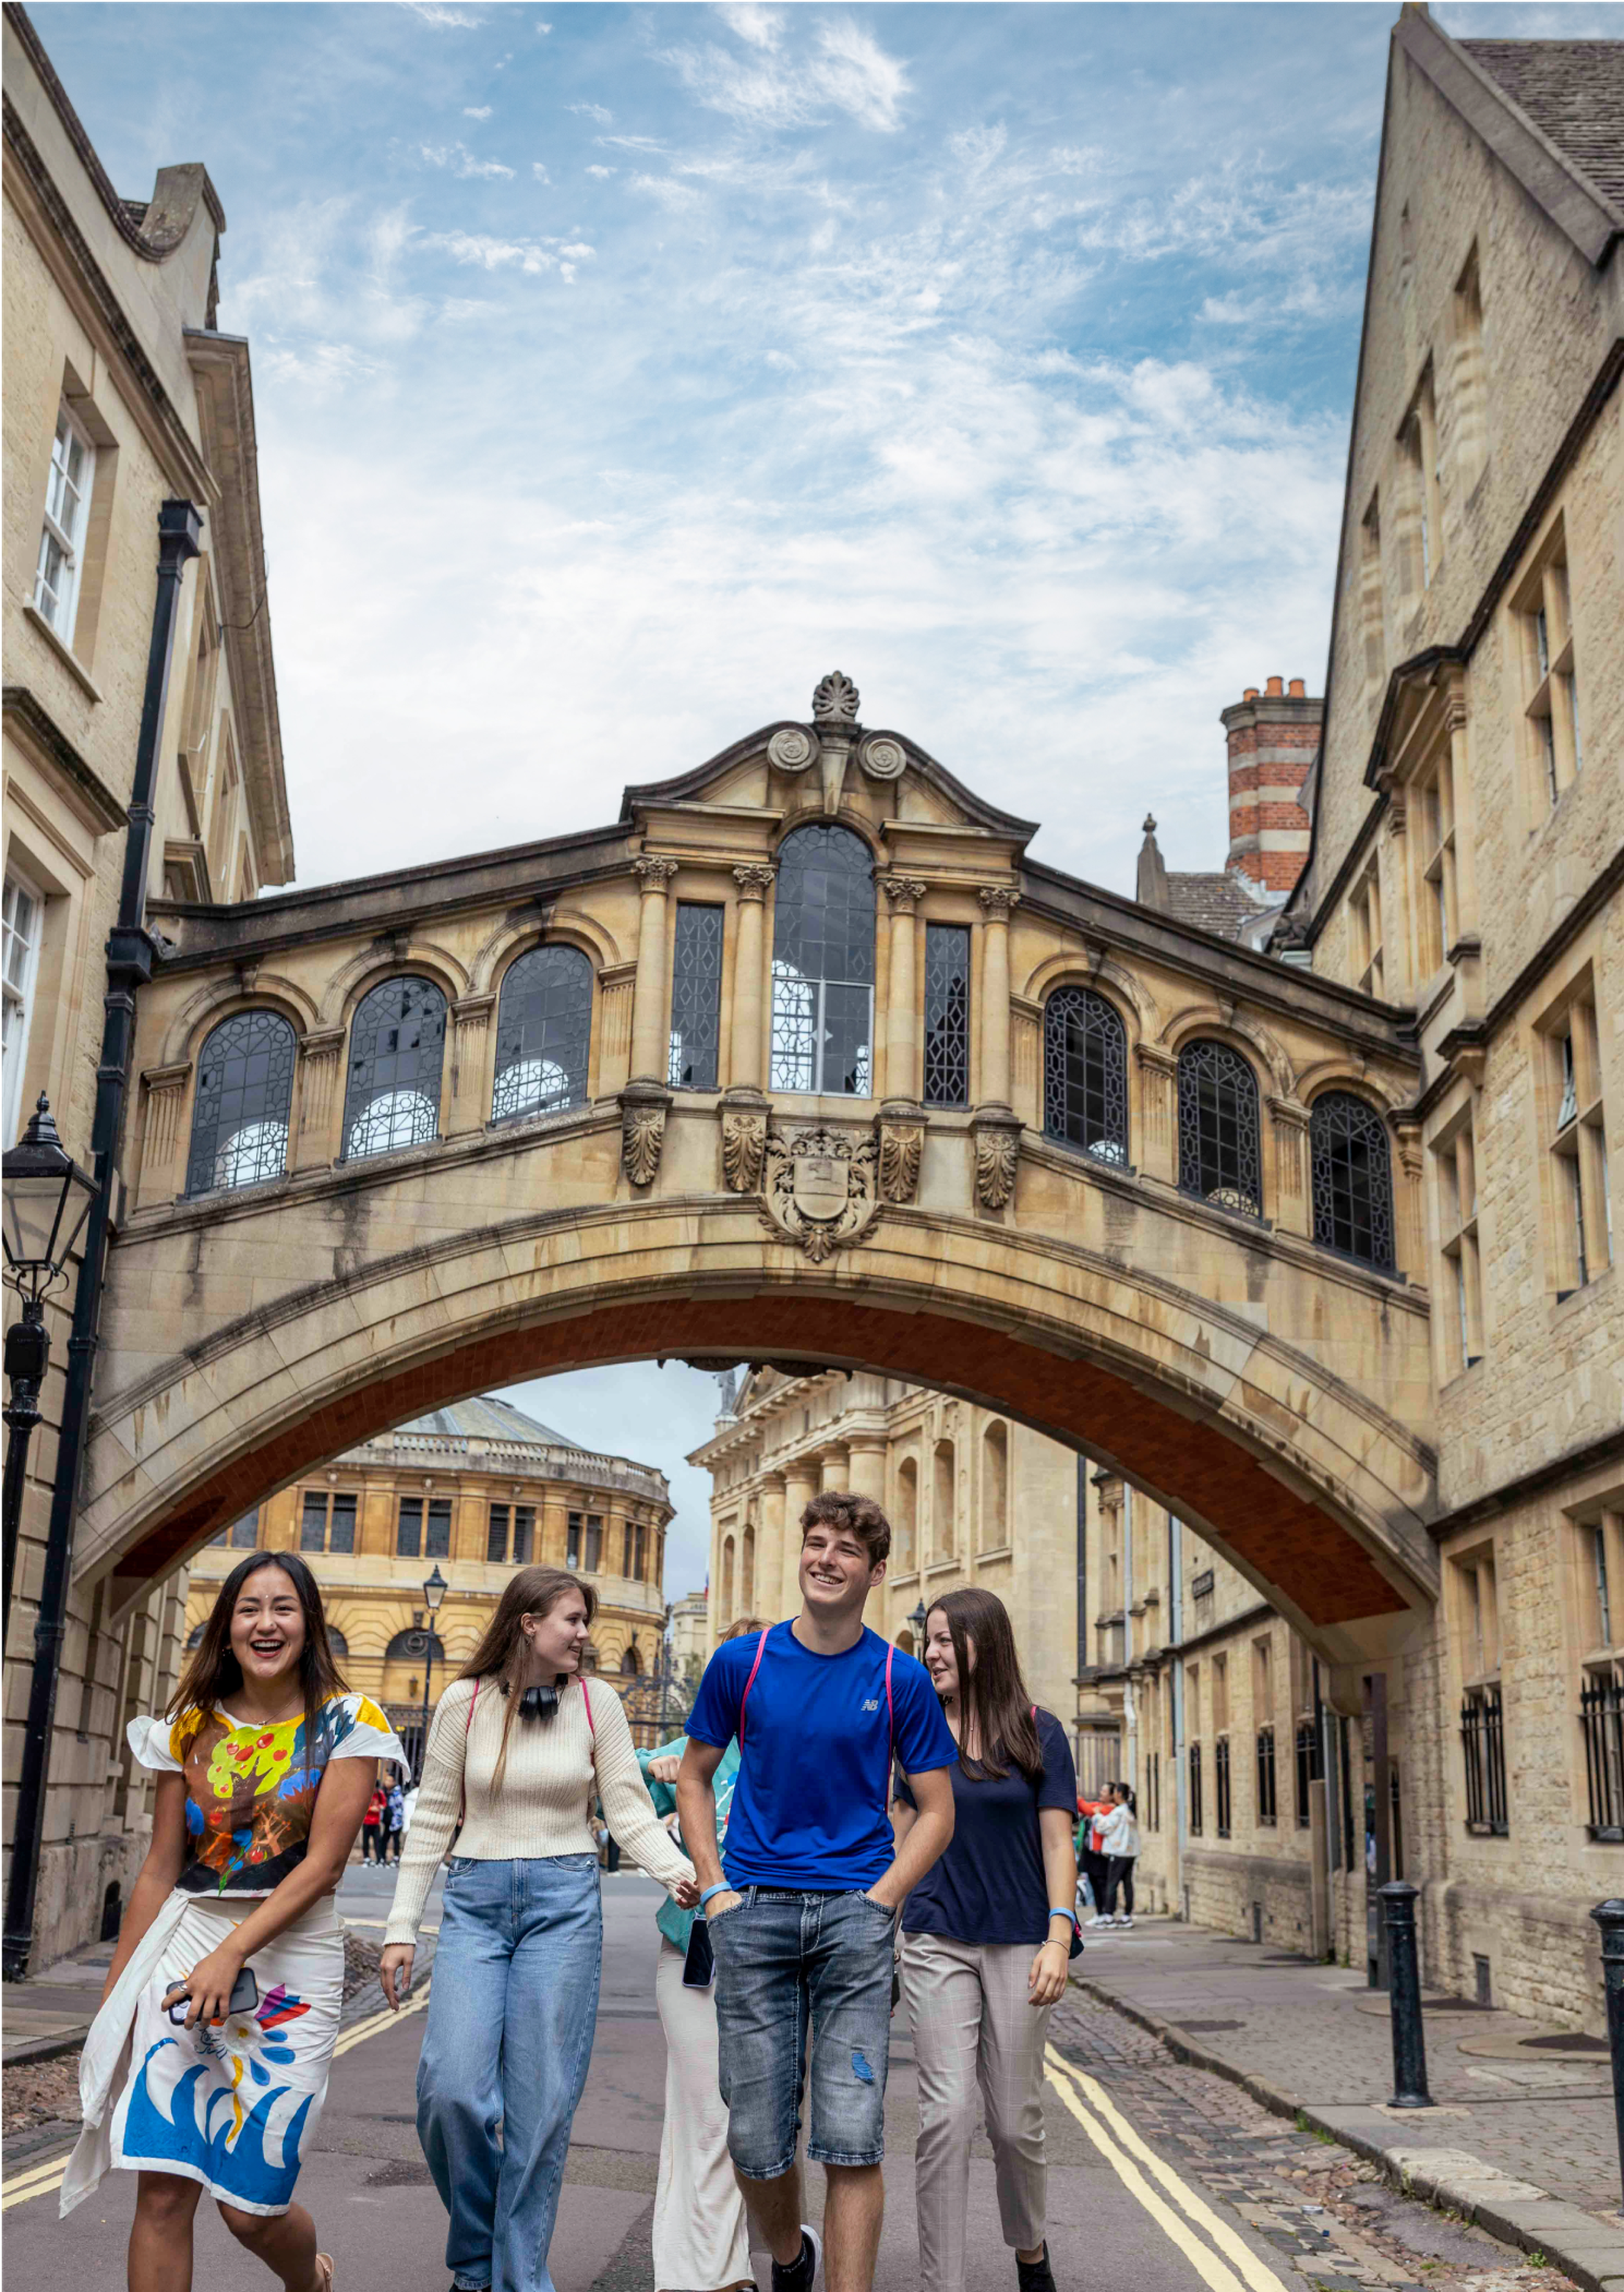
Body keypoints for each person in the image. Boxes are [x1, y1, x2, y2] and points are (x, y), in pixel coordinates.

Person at [62, 1550, 404, 2292]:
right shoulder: (185, 1727)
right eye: (249, 1607)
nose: (266, 1622)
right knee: (162, 2189)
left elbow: (322, 1868)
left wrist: (231, 1955)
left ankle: (308, 2278)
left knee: (251, 2209)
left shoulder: (348, 1721)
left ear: (309, 1624)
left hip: (292, 1965)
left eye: (284, 1606)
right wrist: (119, 1988)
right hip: (183, 1952)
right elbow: (159, 1867)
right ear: (226, 1629)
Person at [378, 1566, 698, 2292]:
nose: (586, 1634)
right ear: (529, 1623)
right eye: (574, 1620)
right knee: (451, 2089)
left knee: (542, 2104)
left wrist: (678, 1870)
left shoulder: (599, 1701)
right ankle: (478, 2248)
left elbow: (628, 1808)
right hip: (476, 1901)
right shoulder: (464, 1700)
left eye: (586, 1620)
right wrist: (402, 1925)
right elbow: (431, 1815)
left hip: (564, 1903)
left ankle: (513, 2277)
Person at [676, 1490, 958, 2292]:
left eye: (846, 1550)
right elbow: (694, 1779)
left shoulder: (899, 1676)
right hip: (754, 1910)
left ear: (874, 1571)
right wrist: (717, 1888)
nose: (826, 1559)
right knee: (757, 2143)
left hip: (852, 1920)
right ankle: (791, 2257)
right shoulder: (745, 1661)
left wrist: (882, 1899)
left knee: (852, 2137)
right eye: (818, 1542)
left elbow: (937, 1810)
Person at [893, 1589, 1078, 2292]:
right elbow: (901, 1834)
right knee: (944, 2114)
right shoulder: (917, 1731)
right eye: (929, 1639)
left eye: (945, 1639)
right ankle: (943, 2282)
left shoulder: (1038, 1730)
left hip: (1020, 1938)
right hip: (936, 1935)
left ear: (983, 1643)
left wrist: (1059, 1936)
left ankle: (1029, 2248)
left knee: (1014, 2122)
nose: (932, 1651)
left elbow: (1059, 1840)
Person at [639, 1724, 752, 2292]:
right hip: (692, 1947)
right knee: (706, 2112)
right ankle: (720, 2275)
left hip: (771, 1952)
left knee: (749, 2118)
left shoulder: (793, 1745)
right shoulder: (700, 1749)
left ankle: (705, 2267)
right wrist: (656, 1767)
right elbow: (621, 1777)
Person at [1096, 1782, 1140, 1927]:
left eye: (1115, 1792)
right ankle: (1127, 1916)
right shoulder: (1130, 1810)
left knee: (1112, 1884)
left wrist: (1097, 1816)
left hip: (1118, 1852)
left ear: (1119, 1794)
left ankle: (1109, 1916)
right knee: (1128, 1884)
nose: (1114, 1795)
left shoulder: (1119, 1811)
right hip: (1131, 1853)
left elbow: (1104, 1827)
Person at [1078, 1793, 1113, 1928]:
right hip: (1090, 1851)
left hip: (1101, 1853)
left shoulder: (1110, 1809)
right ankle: (1099, 1914)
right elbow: (1083, 1809)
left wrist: (1078, 1797)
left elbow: (1089, 1810)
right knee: (1093, 1883)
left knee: (1102, 1885)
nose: (1101, 1794)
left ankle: (1106, 1913)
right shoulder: (1098, 1807)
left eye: (1105, 1792)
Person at [362, 1781, 388, 1864]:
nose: (375, 1790)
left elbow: (384, 1804)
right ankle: (366, 1858)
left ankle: (379, 1858)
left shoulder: (380, 1794)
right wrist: (371, 1809)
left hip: (376, 1823)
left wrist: (380, 1807)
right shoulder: (367, 1794)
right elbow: (363, 1806)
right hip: (367, 1822)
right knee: (366, 1841)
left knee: (377, 1841)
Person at [384, 1776, 406, 1861]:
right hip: (389, 1820)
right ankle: (383, 1858)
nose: (387, 1782)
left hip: (396, 1821)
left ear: (394, 1782)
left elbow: (401, 1806)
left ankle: (396, 1858)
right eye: (386, 1780)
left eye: (389, 1781)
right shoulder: (386, 1792)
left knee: (396, 1839)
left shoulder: (397, 1793)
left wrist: (397, 1818)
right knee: (385, 1839)